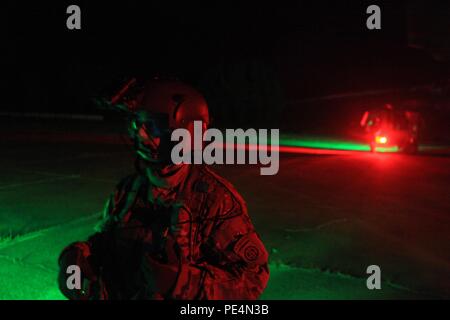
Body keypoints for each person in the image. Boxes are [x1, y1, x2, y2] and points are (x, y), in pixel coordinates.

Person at [58, 78, 269, 300]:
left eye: (151, 126)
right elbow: (107, 244)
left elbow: (253, 279)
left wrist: (183, 282)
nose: (139, 134)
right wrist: (78, 257)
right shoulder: (131, 187)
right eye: (136, 124)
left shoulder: (215, 200)